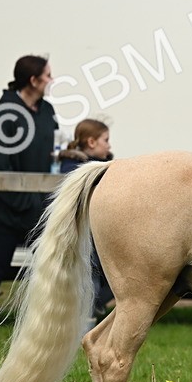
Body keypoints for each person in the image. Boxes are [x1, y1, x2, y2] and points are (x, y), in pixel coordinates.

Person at [0, 55, 59, 330]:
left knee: (46, 264)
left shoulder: (47, 111)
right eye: (47, 75)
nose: (51, 80)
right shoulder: (5, 114)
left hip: (36, 205)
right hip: (3, 207)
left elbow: (49, 153)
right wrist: (27, 203)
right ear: (33, 80)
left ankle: (40, 324)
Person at [58, 119, 114, 319]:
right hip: (83, 234)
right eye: (105, 140)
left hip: (101, 232)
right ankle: (86, 320)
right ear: (91, 142)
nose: (109, 145)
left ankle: (93, 308)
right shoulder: (72, 167)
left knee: (108, 277)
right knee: (91, 276)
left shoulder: (106, 166)